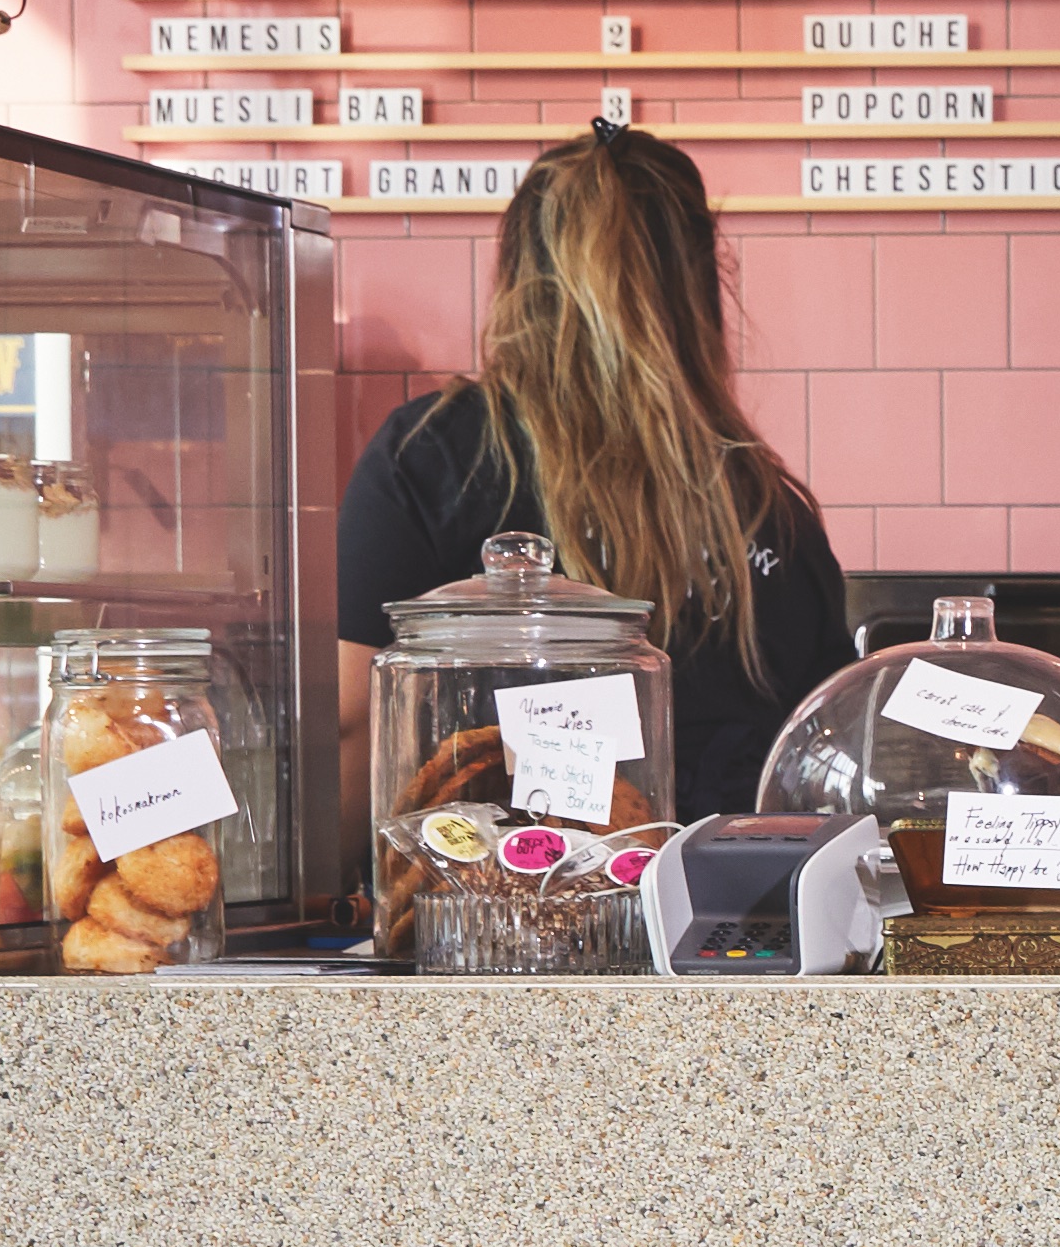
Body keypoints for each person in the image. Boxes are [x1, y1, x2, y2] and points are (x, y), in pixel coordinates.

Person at [331, 120, 856, 823]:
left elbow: (352, 723)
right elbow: (821, 760)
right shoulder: (766, 506)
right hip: (731, 915)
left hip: (496, 907)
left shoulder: (434, 454)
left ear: (518, 272)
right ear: (701, 283)